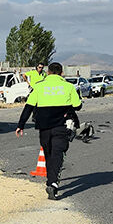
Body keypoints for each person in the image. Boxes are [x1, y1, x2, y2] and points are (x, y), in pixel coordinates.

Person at [15, 61, 82, 200]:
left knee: (48, 154)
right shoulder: (69, 87)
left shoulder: (39, 87)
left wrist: (20, 125)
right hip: (61, 127)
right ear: (61, 73)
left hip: (44, 128)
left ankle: (50, 181)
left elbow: (28, 107)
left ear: (48, 72)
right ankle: (52, 183)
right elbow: (78, 105)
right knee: (58, 154)